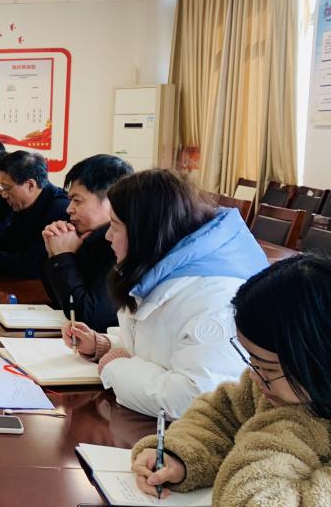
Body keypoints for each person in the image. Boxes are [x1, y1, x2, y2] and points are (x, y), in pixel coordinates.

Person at [131, 255, 331, 507]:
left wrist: (291, 423)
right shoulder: (281, 387)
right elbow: (221, 413)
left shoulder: (291, 407)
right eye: (251, 361)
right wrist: (180, 455)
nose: (255, 377)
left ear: (317, 358)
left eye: (266, 368)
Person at [63, 169, 267, 419]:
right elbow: (166, 350)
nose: (108, 236)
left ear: (144, 232)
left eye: (115, 226)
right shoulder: (163, 271)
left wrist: (115, 367)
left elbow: (197, 399)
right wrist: (105, 346)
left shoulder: (216, 297)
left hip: (193, 436)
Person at [41, 154, 133, 332]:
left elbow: (89, 317)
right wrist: (54, 254)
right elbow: (60, 300)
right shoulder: (90, 237)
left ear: (112, 200)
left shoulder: (125, 243)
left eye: (77, 201)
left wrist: (63, 257)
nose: (69, 209)